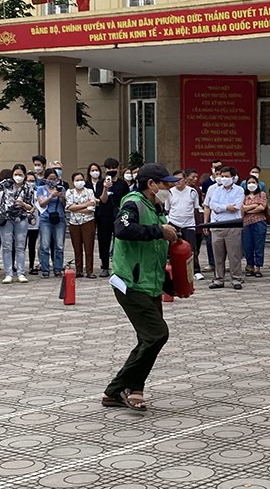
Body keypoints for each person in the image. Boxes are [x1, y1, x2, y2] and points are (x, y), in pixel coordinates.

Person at [102, 163, 179, 411]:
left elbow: (156, 249)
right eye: (166, 184)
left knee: (147, 339)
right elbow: (122, 229)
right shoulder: (132, 202)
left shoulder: (156, 207)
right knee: (157, 335)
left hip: (151, 283)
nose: (169, 188)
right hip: (130, 283)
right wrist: (159, 231)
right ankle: (117, 389)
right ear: (152, 184)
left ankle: (133, 389)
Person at [0, 163, 36, 283]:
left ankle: (20, 272)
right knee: (6, 246)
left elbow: (31, 206)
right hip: (6, 218)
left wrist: (23, 204)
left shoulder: (28, 187)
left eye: (20, 174)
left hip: (21, 218)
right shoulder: (7, 183)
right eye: (15, 174)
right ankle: (8, 273)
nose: (18, 176)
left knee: (20, 246)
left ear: (24, 175)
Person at [205, 166, 245, 290]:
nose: (223, 179)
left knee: (234, 254)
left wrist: (221, 207)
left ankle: (236, 279)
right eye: (222, 176)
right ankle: (218, 279)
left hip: (233, 225)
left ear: (233, 178)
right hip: (217, 226)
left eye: (226, 176)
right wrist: (227, 207)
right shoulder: (216, 190)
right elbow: (213, 205)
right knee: (218, 254)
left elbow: (237, 206)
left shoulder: (239, 190)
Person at [165, 169, 203, 280]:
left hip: (189, 224)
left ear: (185, 179)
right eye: (175, 179)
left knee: (192, 249)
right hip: (174, 223)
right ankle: (173, 270)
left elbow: (196, 208)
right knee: (171, 248)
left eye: (180, 179)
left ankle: (195, 271)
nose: (177, 182)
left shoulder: (192, 192)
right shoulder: (170, 192)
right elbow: (167, 209)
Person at [95, 158, 130, 278]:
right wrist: (105, 188)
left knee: (120, 240)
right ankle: (104, 266)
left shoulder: (123, 184)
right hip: (104, 215)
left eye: (114, 168)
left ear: (118, 168)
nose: (111, 170)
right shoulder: (100, 183)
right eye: (109, 168)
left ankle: (120, 266)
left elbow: (126, 200)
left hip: (119, 215)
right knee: (104, 241)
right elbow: (102, 200)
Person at [66, 171, 98, 278]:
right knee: (77, 247)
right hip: (74, 223)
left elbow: (91, 208)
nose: (79, 182)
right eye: (77, 180)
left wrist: (77, 207)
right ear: (73, 182)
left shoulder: (89, 192)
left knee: (89, 247)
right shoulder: (69, 192)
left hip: (88, 222)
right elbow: (69, 207)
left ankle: (89, 271)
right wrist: (85, 205)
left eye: (81, 180)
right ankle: (79, 270)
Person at [36, 168, 67, 278]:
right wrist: (51, 196)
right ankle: (45, 269)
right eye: (50, 179)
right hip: (45, 219)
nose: (53, 181)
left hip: (59, 219)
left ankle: (58, 268)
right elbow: (41, 203)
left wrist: (63, 197)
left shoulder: (61, 188)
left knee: (59, 245)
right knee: (44, 245)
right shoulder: (40, 189)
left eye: (55, 179)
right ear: (46, 178)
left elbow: (65, 205)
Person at [242, 173, 268, 278]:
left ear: (258, 184)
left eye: (253, 182)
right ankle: (250, 266)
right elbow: (242, 208)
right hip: (246, 224)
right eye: (249, 183)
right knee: (248, 246)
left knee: (259, 245)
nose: (251, 184)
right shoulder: (243, 196)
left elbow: (262, 207)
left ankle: (258, 267)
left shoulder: (262, 194)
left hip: (259, 222)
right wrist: (254, 206)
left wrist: (248, 208)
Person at [24, 171, 40, 275]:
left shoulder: (37, 192)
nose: (31, 183)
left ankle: (31, 266)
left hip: (35, 222)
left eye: (33, 181)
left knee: (32, 245)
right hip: (23, 221)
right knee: (21, 245)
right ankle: (17, 266)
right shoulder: (22, 192)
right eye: (29, 181)